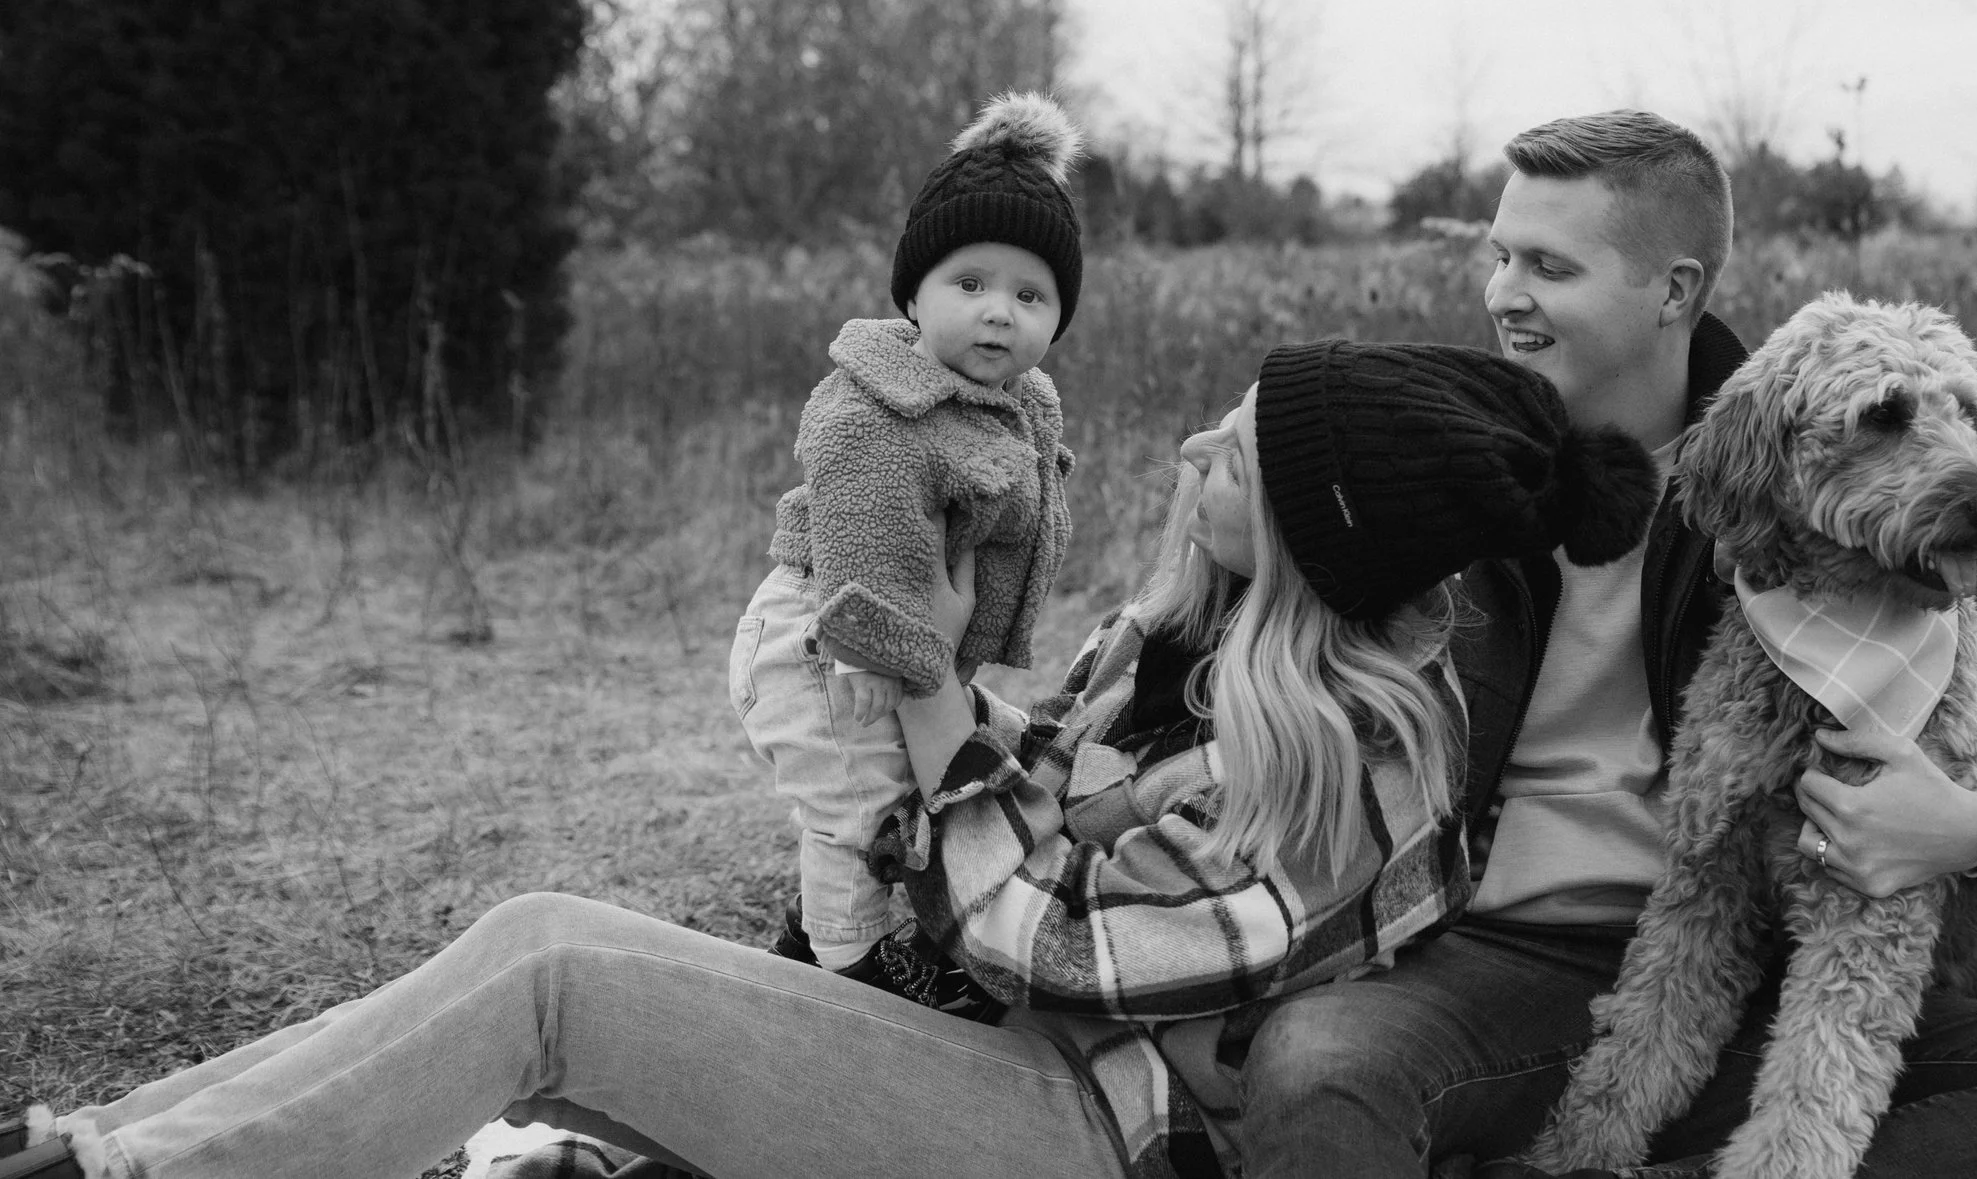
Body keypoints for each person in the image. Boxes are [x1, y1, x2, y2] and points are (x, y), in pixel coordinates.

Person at [8, 341, 1661, 1179]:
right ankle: (95, 1145)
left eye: (1231, 450)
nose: (1188, 448)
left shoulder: (1354, 754)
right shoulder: (1176, 645)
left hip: (1074, 1131)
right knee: (533, 971)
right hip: (989, 1056)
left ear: (1313, 528)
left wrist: (931, 691)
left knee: (550, 968)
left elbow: (1049, 940)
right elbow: (998, 848)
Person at [1233, 112, 1977, 1179]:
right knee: (1316, 1061)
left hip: (1794, 975)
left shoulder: (1844, 505)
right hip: (1503, 964)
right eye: (1501, 257)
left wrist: (1974, 824)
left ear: (1673, 290)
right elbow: (1264, 652)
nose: (1502, 295)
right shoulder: (1435, 456)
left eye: (1548, 266)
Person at [737, 90, 1080, 993]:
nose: (999, 312)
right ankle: (850, 976)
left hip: (896, 635)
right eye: (970, 285)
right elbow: (861, 520)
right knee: (861, 813)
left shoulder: (1023, 402)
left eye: (1030, 294)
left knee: (889, 797)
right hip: (825, 636)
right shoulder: (881, 403)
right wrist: (869, 648)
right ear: (915, 295)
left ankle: (812, 942)